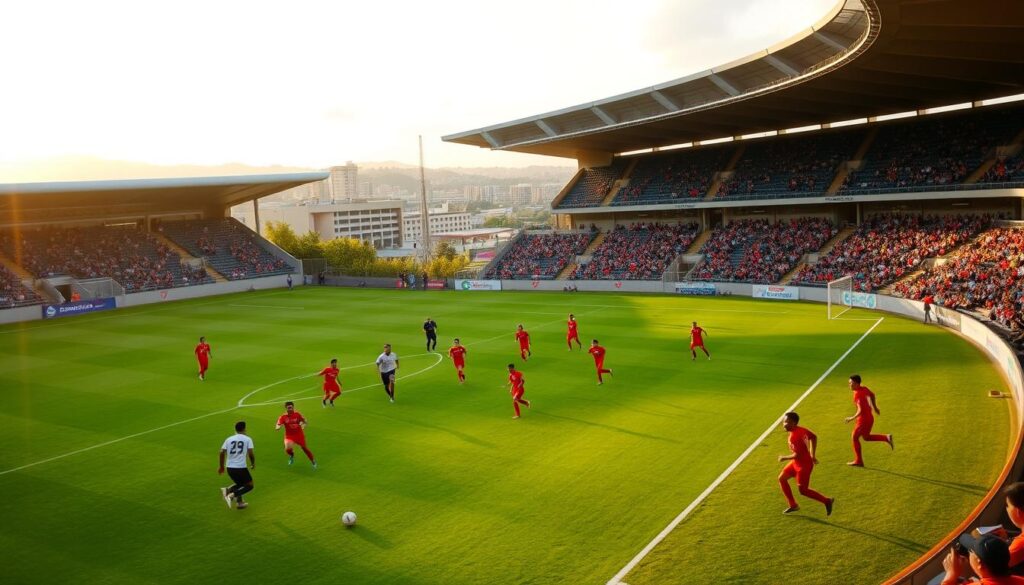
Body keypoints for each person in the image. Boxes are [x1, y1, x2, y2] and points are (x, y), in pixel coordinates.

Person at [778, 412, 834, 516]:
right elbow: (813, 437)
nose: (784, 424)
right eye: (784, 421)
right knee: (782, 479)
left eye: (787, 422)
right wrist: (812, 454)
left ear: (794, 423)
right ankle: (793, 505)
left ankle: (827, 501)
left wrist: (784, 457)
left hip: (803, 466)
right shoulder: (801, 430)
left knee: (803, 491)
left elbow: (797, 455)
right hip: (797, 462)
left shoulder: (794, 436)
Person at [844, 374, 893, 466]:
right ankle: (886, 438)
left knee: (854, 437)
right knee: (866, 437)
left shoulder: (857, 394)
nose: (849, 385)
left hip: (863, 420)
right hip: (869, 418)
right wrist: (875, 407)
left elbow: (860, 410)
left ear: (856, 383)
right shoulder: (864, 389)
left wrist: (851, 418)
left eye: (851, 383)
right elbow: (872, 395)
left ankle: (859, 461)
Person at [941, 533, 1024, 585]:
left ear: (980, 564)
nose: (968, 555)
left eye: (970, 552)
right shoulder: (1020, 580)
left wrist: (950, 576)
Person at [218, 420, 255, 510]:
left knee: (240, 484)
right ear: (244, 429)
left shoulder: (229, 439)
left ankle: (239, 502)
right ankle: (230, 495)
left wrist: (221, 466)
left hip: (229, 467)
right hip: (240, 467)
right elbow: (250, 453)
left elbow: (221, 452)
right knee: (249, 485)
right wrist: (253, 463)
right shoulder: (247, 439)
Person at [275, 401, 316, 468]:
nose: (290, 409)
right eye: (288, 408)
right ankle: (291, 455)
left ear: (293, 407)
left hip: (299, 435)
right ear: (286, 408)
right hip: (289, 436)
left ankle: (313, 461)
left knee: (305, 449)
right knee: (288, 449)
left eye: (291, 407)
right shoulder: (283, 417)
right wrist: (278, 427)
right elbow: (278, 423)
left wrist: (303, 425)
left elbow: (305, 421)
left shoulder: (297, 414)